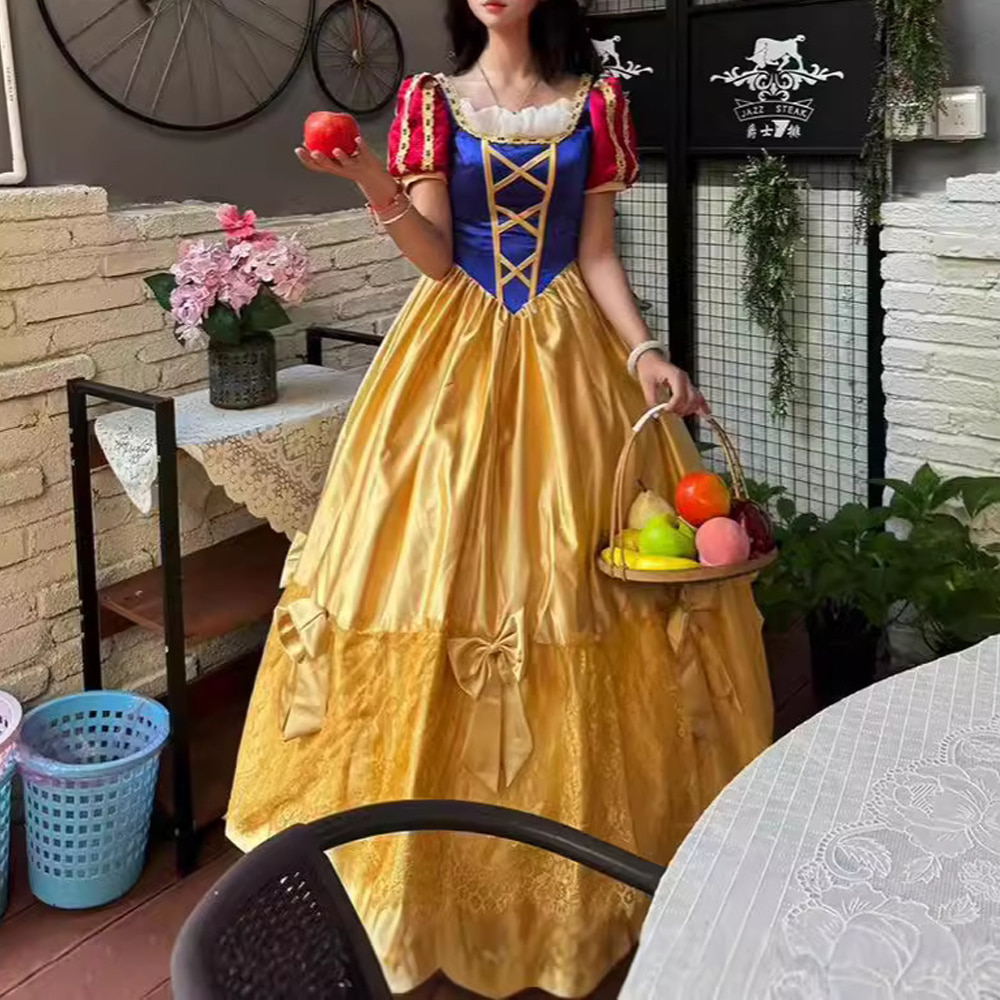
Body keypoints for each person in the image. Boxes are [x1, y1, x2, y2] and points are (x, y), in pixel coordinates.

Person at [226, 0, 773, 995]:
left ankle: (587, 871)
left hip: (572, 360)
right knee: (429, 565)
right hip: (451, 359)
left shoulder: (597, 104)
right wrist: (371, 180)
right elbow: (438, 257)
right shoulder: (429, 101)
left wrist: (644, 352)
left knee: (573, 574)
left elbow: (595, 254)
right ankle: (414, 873)